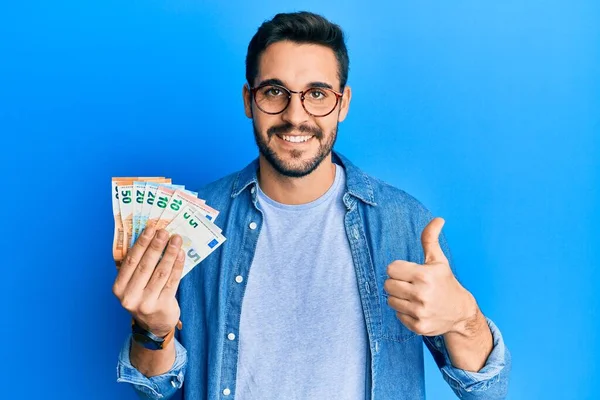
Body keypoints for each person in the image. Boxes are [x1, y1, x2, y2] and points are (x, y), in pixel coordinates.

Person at [113, 11, 511, 400]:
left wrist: (465, 319)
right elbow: (154, 389)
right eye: (274, 92)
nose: (295, 115)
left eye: (317, 94)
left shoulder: (405, 224)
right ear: (249, 100)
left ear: (343, 103)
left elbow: (487, 391)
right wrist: (151, 331)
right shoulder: (193, 225)